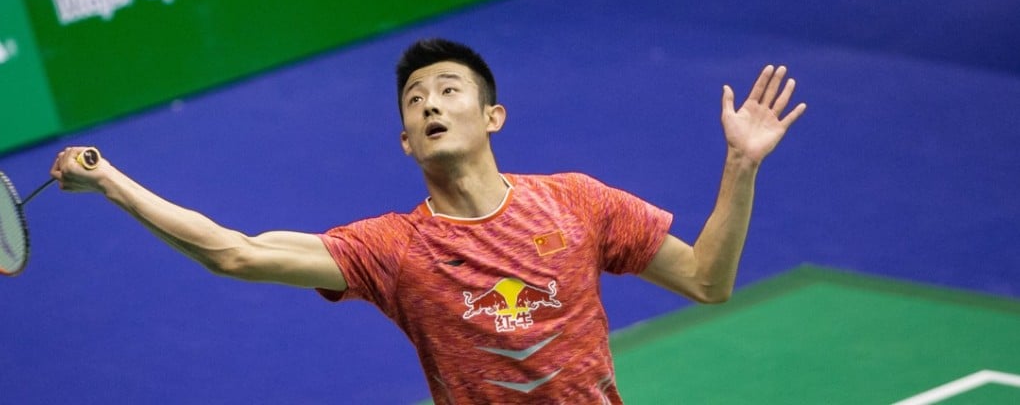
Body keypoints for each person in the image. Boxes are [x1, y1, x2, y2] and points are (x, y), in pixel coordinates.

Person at [51, 38, 806, 404]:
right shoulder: (393, 250)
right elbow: (236, 255)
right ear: (406, 142)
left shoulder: (578, 202)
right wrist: (114, 182)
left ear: (494, 115)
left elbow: (708, 281)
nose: (433, 104)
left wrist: (741, 167)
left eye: (449, 90)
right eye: (416, 101)